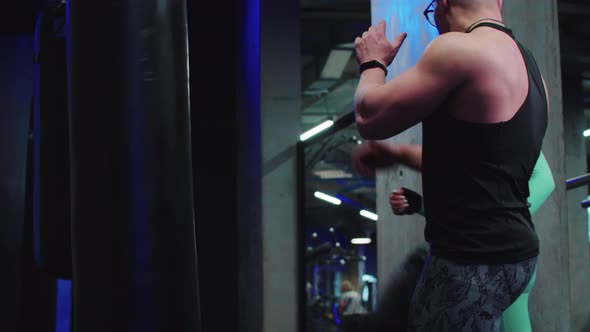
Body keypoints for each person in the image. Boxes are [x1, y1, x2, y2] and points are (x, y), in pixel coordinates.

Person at [351, 0, 550, 330]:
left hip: (470, 261)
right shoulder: (532, 70)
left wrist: (373, 62)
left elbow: (369, 116)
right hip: (517, 257)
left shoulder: (459, 48)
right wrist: (398, 154)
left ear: (442, 4)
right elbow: (484, 160)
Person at [384, 144, 554, 332]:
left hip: (501, 259)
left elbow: (546, 181)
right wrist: (420, 205)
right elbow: (465, 211)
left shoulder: (509, 124)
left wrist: (499, 225)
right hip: (480, 260)